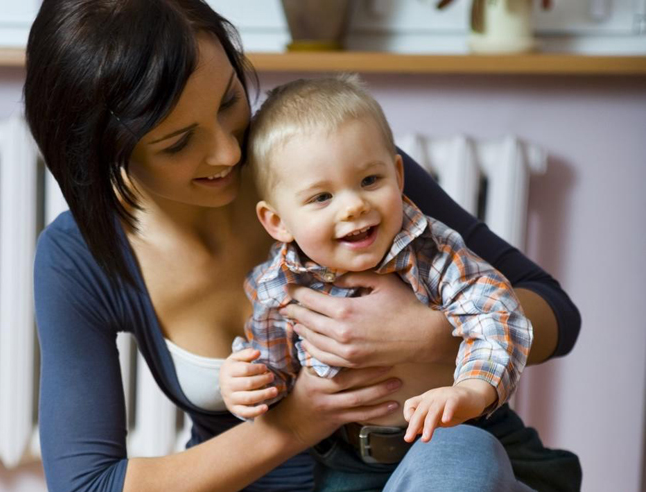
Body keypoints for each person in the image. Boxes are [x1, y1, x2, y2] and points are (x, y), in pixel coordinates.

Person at [23, 1, 581, 491]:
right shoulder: (79, 258)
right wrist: (297, 421)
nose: (227, 153)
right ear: (103, 153)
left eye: (228, 100)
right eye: (178, 143)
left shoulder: (331, 174)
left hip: (447, 466)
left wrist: (429, 334)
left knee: (462, 453)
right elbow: (88, 485)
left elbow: (555, 311)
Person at [218, 75, 533, 490]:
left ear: (398, 176)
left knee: (459, 460)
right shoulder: (277, 286)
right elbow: (275, 366)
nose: (353, 205)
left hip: (457, 439)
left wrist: (472, 391)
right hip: (348, 466)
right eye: (321, 197)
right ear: (277, 222)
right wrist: (248, 384)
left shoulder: (431, 253)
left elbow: (496, 313)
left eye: (369, 181)